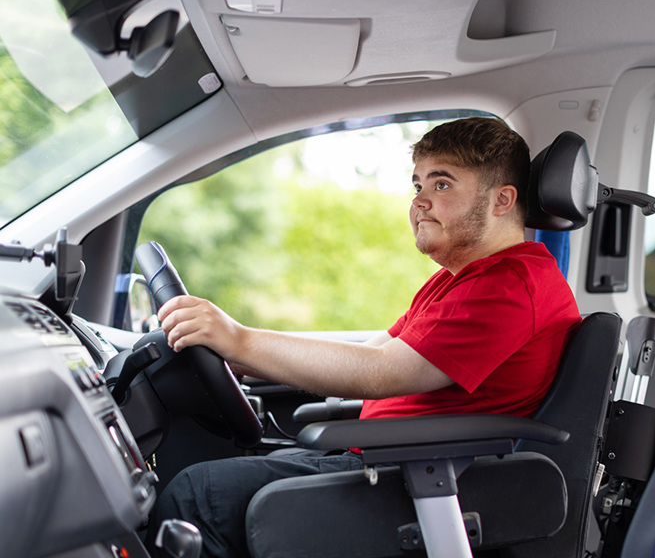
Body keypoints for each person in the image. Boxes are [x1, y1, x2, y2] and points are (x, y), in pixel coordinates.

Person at [146, 117, 581, 557]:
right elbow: (370, 353)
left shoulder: (510, 286)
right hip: (391, 463)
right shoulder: (459, 279)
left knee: (198, 496)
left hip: (427, 480)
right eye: (417, 186)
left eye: (442, 185)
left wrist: (239, 339)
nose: (420, 202)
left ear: (502, 200)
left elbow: (381, 373)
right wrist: (242, 358)